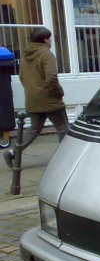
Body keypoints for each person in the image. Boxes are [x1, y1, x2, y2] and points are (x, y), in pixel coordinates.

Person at [3, 27, 69, 169]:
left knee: (34, 128)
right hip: (49, 98)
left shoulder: (26, 56)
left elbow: (22, 76)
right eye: (50, 38)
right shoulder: (47, 55)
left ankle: (13, 152)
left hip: (32, 98)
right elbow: (51, 78)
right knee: (63, 128)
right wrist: (58, 92)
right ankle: (66, 158)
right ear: (45, 40)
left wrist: (32, 90)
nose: (51, 41)